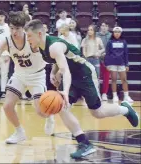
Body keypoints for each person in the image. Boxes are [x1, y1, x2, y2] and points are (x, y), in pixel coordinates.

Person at [24, 19, 139, 159]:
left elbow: (65, 70)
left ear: (40, 34)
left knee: (98, 112)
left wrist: (65, 91)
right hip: (72, 77)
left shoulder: (54, 46)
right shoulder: (41, 46)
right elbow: (58, 62)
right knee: (62, 107)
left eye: (29, 36)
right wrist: (54, 73)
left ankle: (125, 109)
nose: (27, 39)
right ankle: (84, 144)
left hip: (85, 74)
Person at [0, 11, 55, 144]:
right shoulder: (6, 41)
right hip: (19, 75)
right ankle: (19, 132)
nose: (14, 31)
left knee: (41, 112)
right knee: (7, 106)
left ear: (25, 27)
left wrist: (57, 69)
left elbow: (53, 49)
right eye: (12, 28)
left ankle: (50, 116)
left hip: (37, 76)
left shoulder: (33, 39)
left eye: (18, 28)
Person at [105, 26, 133, 103]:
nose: (117, 34)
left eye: (118, 32)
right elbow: (107, 53)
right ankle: (115, 96)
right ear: (113, 33)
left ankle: (126, 96)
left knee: (124, 80)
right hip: (112, 64)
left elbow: (126, 54)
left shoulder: (124, 42)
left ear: (121, 33)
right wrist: (107, 64)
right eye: (115, 32)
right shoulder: (110, 42)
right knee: (114, 80)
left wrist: (127, 64)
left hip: (122, 63)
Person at [97, 22, 112, 101]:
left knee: (106, 77)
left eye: (106, 26)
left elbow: (112, 47)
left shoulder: (110, 36)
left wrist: (106, 53)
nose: (104, 27)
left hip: (107, 59)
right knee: (97, 76)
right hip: (97, 57)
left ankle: (104, 93)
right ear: (100, 27)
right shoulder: (96, 35)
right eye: (102, 25)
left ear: (108, 27)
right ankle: (97, 93)